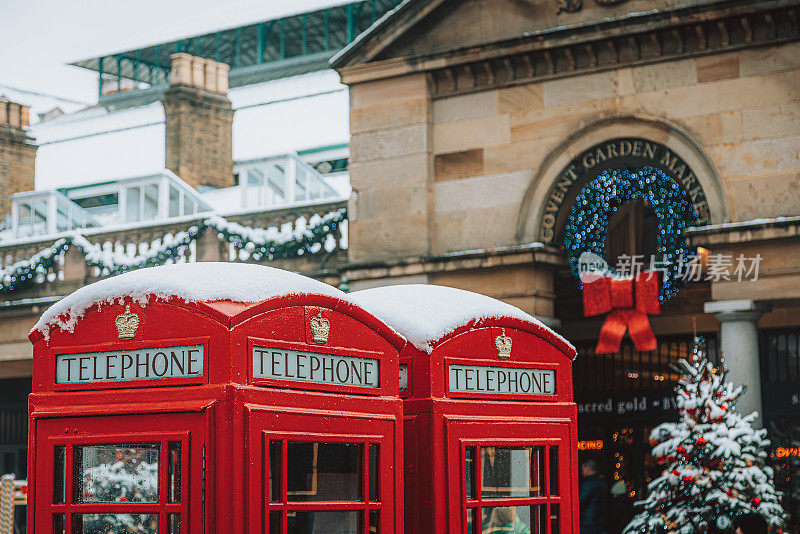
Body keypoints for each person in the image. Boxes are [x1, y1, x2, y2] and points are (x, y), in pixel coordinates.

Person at [579, 458, 609, 534]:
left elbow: (580, 502)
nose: (582, 472)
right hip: (600, 521)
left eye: (583, 469)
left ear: (588, 469)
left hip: (587, 522)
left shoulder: (588, 484)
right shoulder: (602, 484)